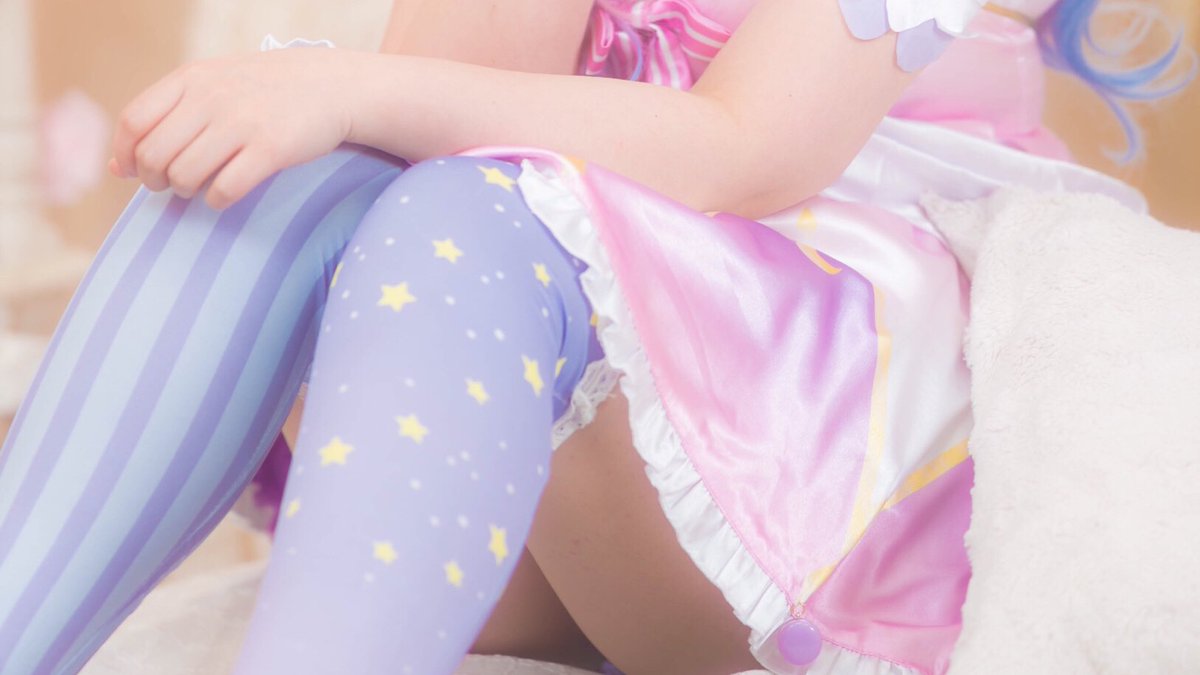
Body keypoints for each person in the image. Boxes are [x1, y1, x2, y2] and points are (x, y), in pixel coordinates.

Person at [0, 1, 1191, 674]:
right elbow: (415, 115)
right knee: (278, 170)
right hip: (581, 448)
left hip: (817, 458)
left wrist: (349, 89)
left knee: (454, 207)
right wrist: (329, 99)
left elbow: (745, 151)